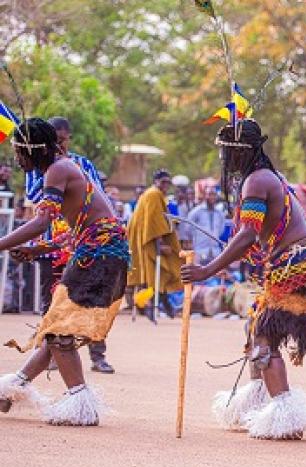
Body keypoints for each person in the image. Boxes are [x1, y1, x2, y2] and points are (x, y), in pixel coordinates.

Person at [182, 119, 306, 440]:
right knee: (256, 329)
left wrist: (206, 270)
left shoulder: (256, 182)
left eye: (226, 152)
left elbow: (248, 234)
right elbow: (257, 237)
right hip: (304, 260)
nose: (223, 159)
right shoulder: (269, 178)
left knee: (264, 338)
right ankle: (257, 401)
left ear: (239, 153)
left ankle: (285, 415)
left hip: (298, 264)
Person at [0, 118, 129, 425]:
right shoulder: (62, 167)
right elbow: (78, 227)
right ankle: (14, 387)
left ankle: (81, 402)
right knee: (55, 328)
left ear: (33, 150)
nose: (17, 159)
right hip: (99, 252)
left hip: (99, 255)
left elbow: (44, 221)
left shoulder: (58, 170)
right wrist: (36, 249)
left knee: (58, 330)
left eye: (19, 151)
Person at [21, 116, 115, 373]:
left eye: (63, 140)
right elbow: (37, 199)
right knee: (54, 314)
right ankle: (18, 384)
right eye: (56, 140)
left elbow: (91, 202)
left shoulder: (70, 166)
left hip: (89, 244)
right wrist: (41, 247)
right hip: (61, 240)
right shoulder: (41, 170)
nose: (60, 145)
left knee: (73, 316)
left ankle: (97, 357)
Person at [126, 169, 183, 319]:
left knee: (158, 273)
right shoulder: (153, 194)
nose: (165, 185)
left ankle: (163, 306)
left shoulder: (154, 194)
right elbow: (153, 221)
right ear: (156, 182)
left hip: (145, 237)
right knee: (155, 273)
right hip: (148, 239)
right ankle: (149, 307)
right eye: (163, 182)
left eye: (167, 183)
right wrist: (159, 242)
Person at [186, 187, 226, 264]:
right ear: (205, 195)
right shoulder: (197, 211)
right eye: (209, 194)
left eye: (213, 194)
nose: (212, 197)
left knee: (216, 274)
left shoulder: (219, 213)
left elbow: (221, 230)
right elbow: (188, 228)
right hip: (200, 250)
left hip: (215, 251)